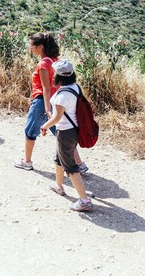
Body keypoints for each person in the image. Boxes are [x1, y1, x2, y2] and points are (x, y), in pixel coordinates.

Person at [13, 33, 88, 172]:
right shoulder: (55, 61)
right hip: (56, 102)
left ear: (40, 47)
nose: (30, 49)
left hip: (42, 102)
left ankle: (27, 161)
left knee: (30, 131)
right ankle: (79, 164)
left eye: (32, 46)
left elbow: (45, 89)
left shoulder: (43, 64)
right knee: (60, 132)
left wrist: (47, 110)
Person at [40, 59, 93, 212]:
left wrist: (45, 126)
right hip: (75, 129)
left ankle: (84, 200)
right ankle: (58, 186)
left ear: (58, 76)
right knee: (59, 158)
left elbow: (56, 117)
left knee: (70, 166)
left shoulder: (61, 96)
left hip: (65, 132)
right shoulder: (75, 88)